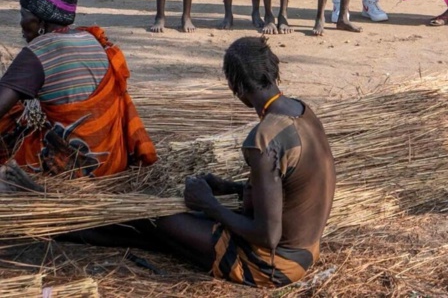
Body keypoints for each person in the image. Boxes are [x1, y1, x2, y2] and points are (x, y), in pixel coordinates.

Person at [71, 37, 336, 290]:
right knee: (151, 233)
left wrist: (209, 204)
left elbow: (268, 236)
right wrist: (227, 187)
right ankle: (70, 229)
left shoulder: (264, 138)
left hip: (271, 265)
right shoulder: (302, 111)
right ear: (272, 69)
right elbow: (288, 189)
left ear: (236, 88)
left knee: (152, 219)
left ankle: (73, 227)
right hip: (305, 252)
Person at [0, 0, 157, 177]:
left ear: (40, 22)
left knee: (9, 117)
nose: (21, 24)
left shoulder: (38, 52)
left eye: (24, 16)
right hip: (112, 160)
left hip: (70, 167)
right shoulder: (93, 40)